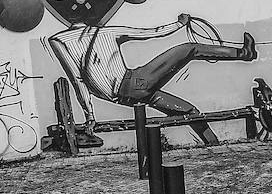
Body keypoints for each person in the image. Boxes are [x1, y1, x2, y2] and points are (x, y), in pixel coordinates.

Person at [48, 14, 257, 145]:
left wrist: (90, 115)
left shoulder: (57, 40)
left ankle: (214, 146)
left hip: (126, 96)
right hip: (135, 83)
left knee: (189, 112)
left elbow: (78, 81)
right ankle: (243, 54)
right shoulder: (107, 32)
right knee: (189, 48)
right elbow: (152, 33)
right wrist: (179, 24)